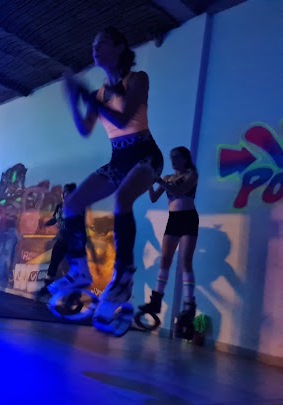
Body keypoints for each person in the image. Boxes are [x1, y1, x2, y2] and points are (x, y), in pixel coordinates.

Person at [48, 27, 164, 331]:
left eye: (101, 44)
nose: (95, 50)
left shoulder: (137, 80)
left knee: (122, 199)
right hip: (119, 158)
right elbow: (84, 129)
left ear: (120, 47)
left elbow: (124, 119)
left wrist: (88, 96)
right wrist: (74, 100)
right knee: (72, 204)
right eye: (93, 46)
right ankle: (79, 270)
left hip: (145, 155)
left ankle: (123, 275)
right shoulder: (99, 94)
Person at [139, 146, 199, 333]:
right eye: (171, 157)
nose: (172, 161)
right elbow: (153, 198)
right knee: (165, 260)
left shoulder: (191, 175)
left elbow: (180, 191)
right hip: (173, 219)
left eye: (176, 157)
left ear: (185, 159)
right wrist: (149, 182)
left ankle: (189, 304)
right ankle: (156, 300)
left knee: (185, 261)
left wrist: (158, 180)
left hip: (188, 217)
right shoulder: (167, 178)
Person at [36, 183, 77, 296]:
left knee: (72, 267)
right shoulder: (60, 206)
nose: (65, 195)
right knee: (54, 263)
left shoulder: (78, 207)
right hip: (62, 239)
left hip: (73, 242)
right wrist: (45, 224)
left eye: (68, 193)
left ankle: (72, 293)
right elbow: (55, 219)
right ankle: (47, 288)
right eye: (65, 193)